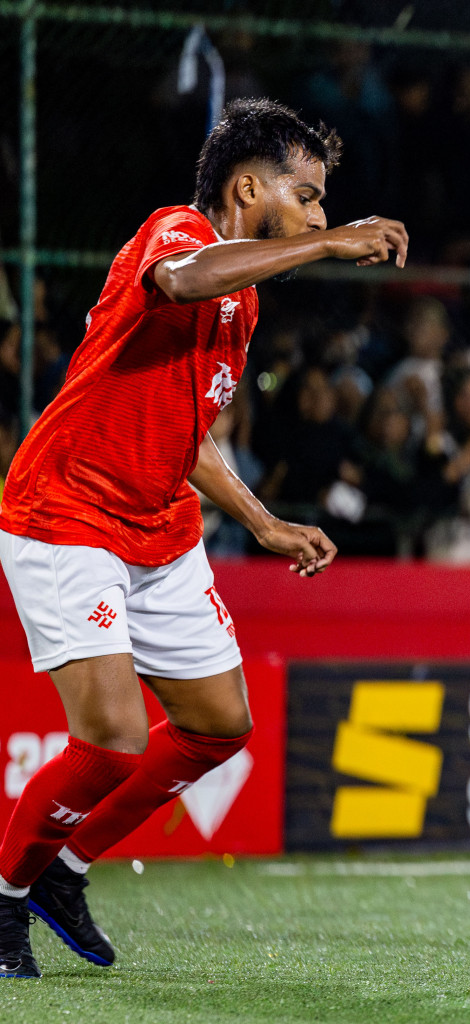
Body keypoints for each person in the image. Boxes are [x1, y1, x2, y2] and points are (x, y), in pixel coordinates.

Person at [0, 97, 408, 979]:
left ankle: (63, 872)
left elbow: (187, 433)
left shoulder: (243, 302)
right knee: (113, 738)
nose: (321, 217)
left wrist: (262, 521)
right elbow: (183, 280)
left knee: (218, 725)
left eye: (325, 207)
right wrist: (330, 247)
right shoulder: (175, 234)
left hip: (159, 527)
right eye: (308, 197)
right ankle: (5, 894)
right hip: (70, 512)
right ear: (248, 188)